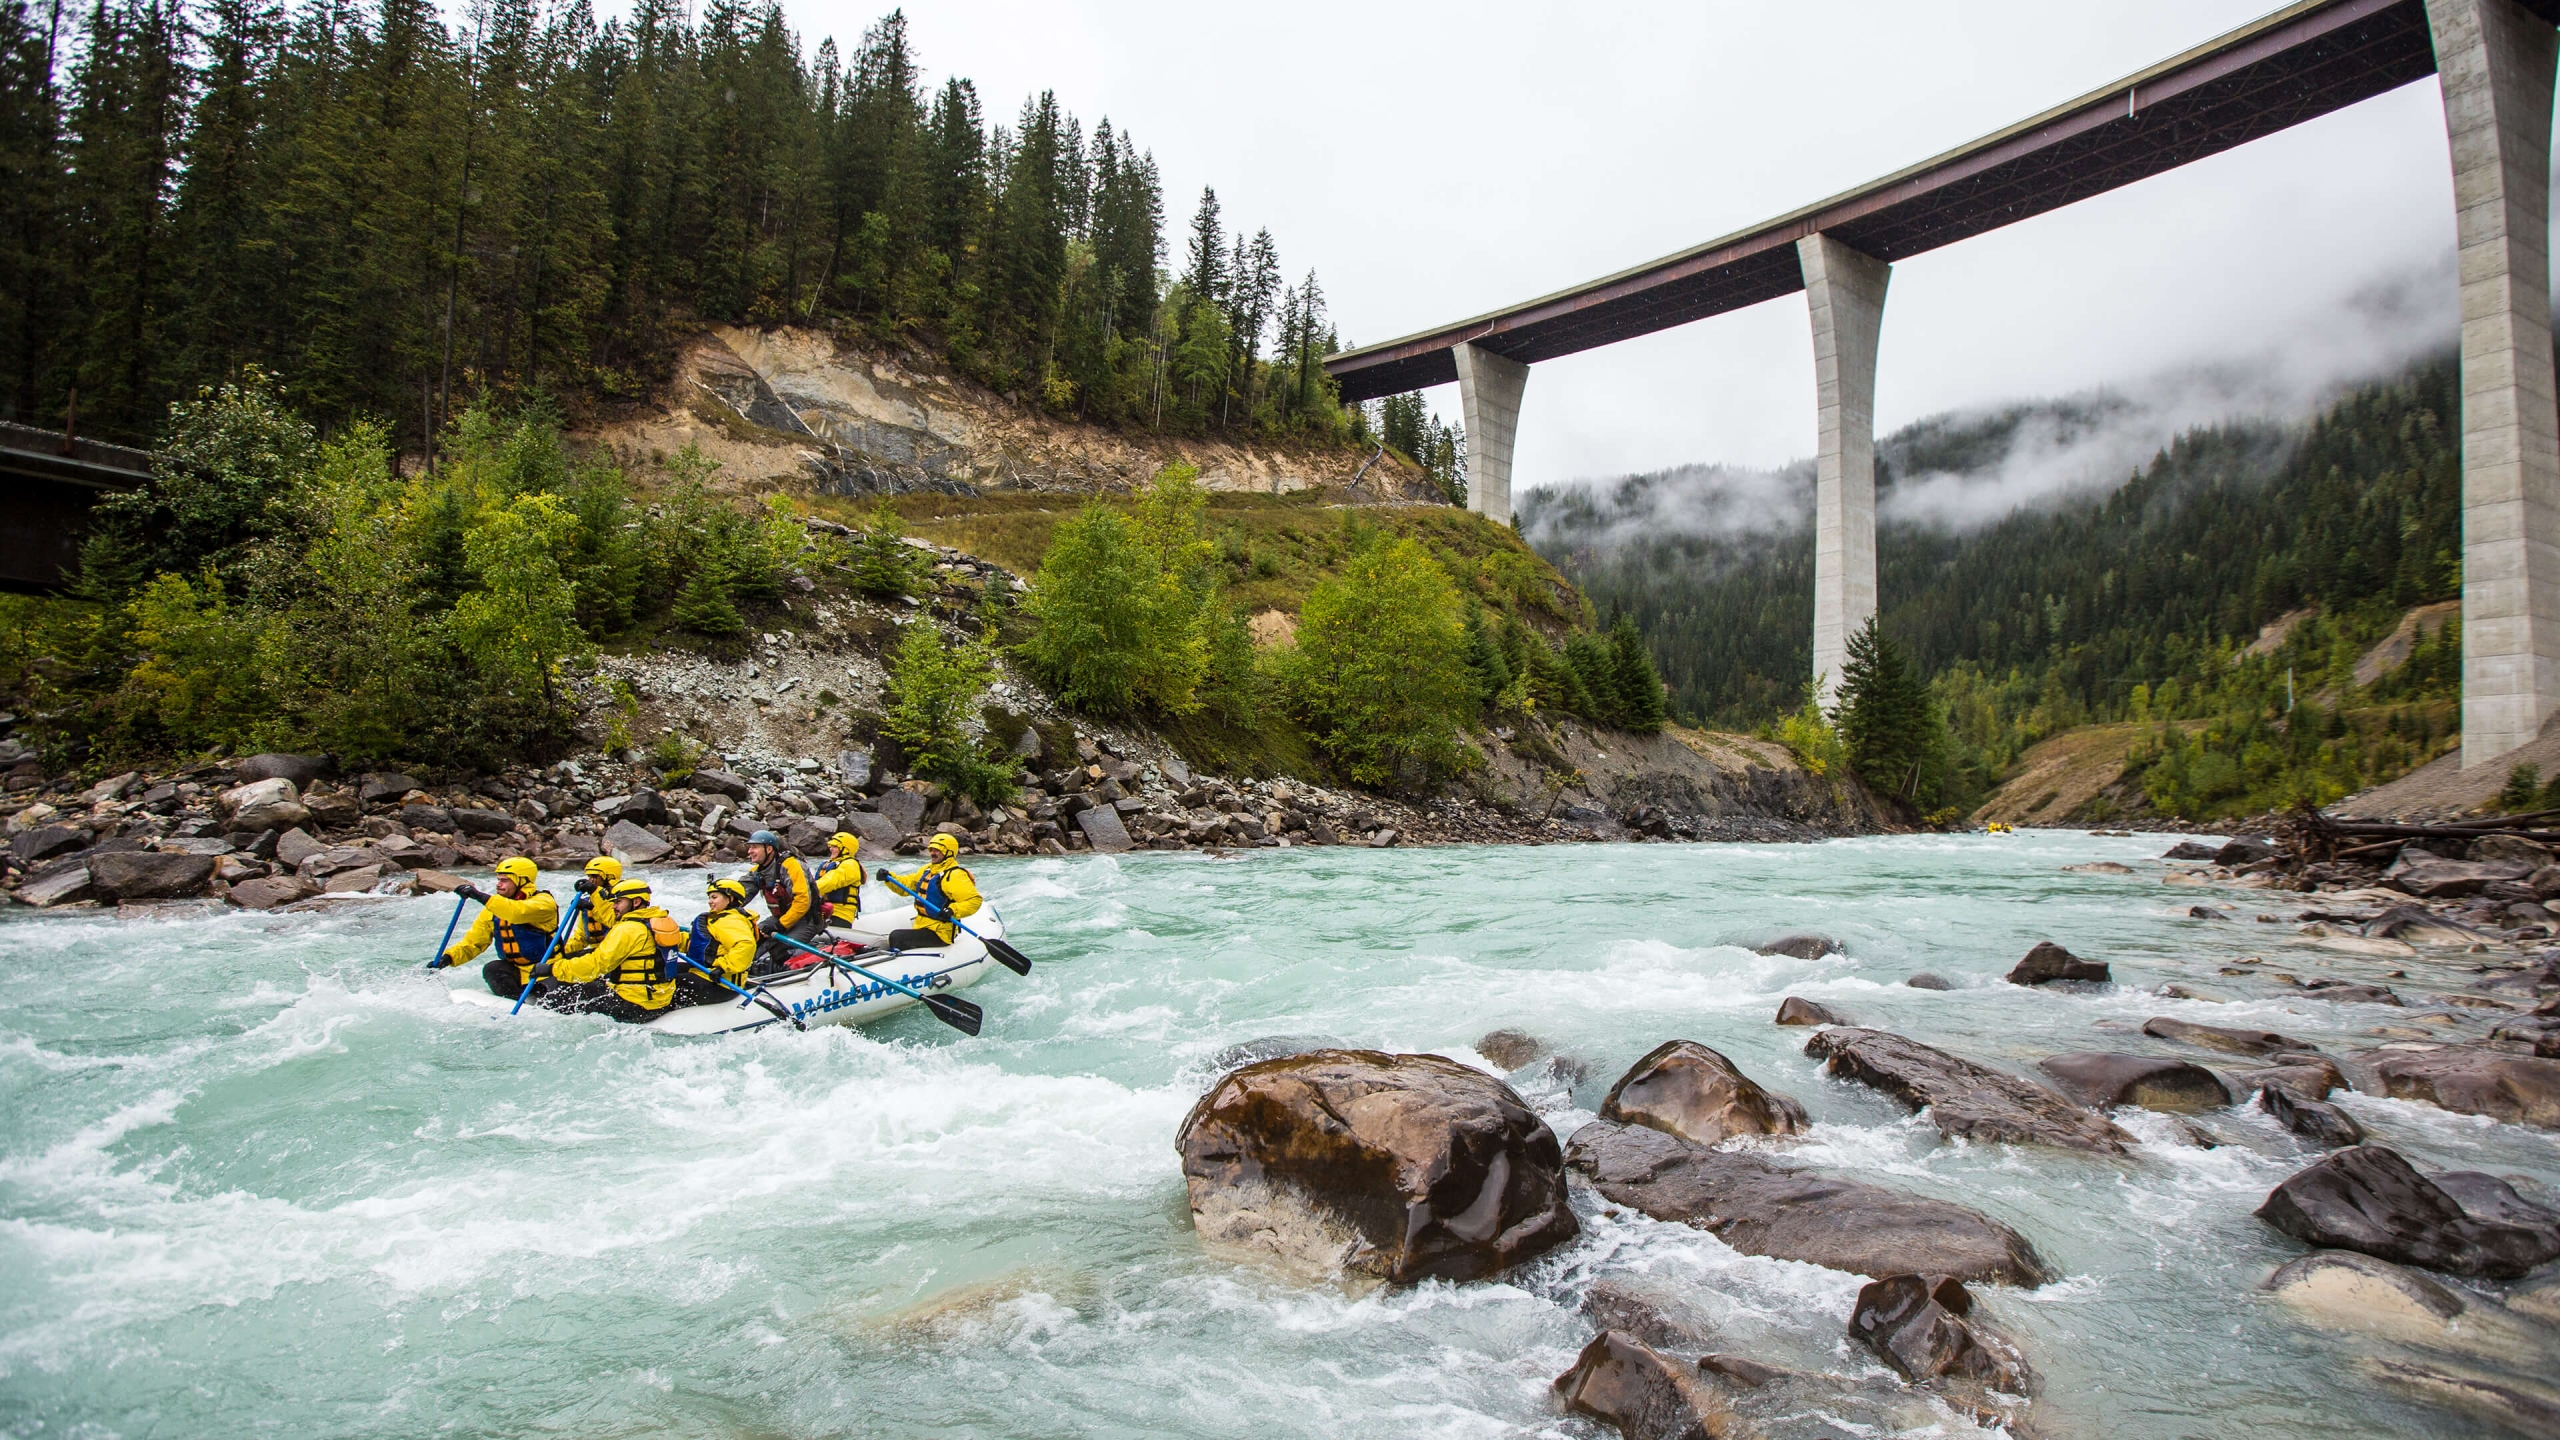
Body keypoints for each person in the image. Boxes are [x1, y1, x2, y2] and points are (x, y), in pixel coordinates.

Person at [527, 877, 681, 1023]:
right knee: (586, 987)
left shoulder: (628, 930)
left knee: (562, 999)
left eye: (618, 902)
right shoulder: (660, 919)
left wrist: (553, 969)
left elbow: (596, 965)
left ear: (636, 902)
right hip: (659, 999)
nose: (613, 906)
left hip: (636, 1004)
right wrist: (595, 894)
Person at [428, 857, 561, 999]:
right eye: (498, 880)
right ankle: (515, 1001)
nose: (498, 885)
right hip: (518, 972)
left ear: (522, 880)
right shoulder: (492, 910)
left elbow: (516, 912)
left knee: (547, 994)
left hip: (548, 969)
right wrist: (448, 958)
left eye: (504, 880)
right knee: (493, 968)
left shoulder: (544, 902)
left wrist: (479, 896)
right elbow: (474, 943)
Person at [879, 832, 980, 951]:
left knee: (896, 936)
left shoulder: (955, 875)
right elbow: (907, 885)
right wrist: (889, 878)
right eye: (931, 849)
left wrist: (953, 910)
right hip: (921, 925)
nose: (932, 853)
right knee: (896, 936)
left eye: (937, 850)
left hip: (940, 932)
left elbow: (974, 901)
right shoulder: (927, 870)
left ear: (948, 852)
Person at [673, 877, 760, 1007]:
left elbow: (746, 945)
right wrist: (668, 940)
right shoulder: (718, 918)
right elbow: (699, 944)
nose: (710, 902)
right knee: (664, 971)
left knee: (667, 982)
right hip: (706, 972)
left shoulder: (732, 921)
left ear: (730, 898)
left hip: (722, 983)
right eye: (709, 898)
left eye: (714, 897)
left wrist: (723, 967)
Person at [744, 829, 822, 967]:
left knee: (781, 951)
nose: (750, 851)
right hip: (781, 918)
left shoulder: (792, 866)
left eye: (754, 847)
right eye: (750, 847)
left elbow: (802, 902)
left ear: (769, 849)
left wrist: (779, 925)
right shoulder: (757, 872)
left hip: (807, 919)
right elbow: (738, 893)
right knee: (750, 941)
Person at [559, 855, 623, 957]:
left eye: (594, 876)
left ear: (609, 876)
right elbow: (582, 937)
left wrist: (592, 903)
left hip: (616, 952)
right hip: (597, 952)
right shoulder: (589, 900)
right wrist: (559, 951)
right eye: (589, 877)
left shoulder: (622, 900)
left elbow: (613, 921)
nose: (591, 880)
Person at [814, 832, 863, 929]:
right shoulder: (829, 863)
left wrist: (808, 890)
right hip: (824, 910)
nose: (831, 849)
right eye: (831, 846)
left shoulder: (850, 865)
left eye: (835, 846)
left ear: (846, 849)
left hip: (840, 914)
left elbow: (831, 881)